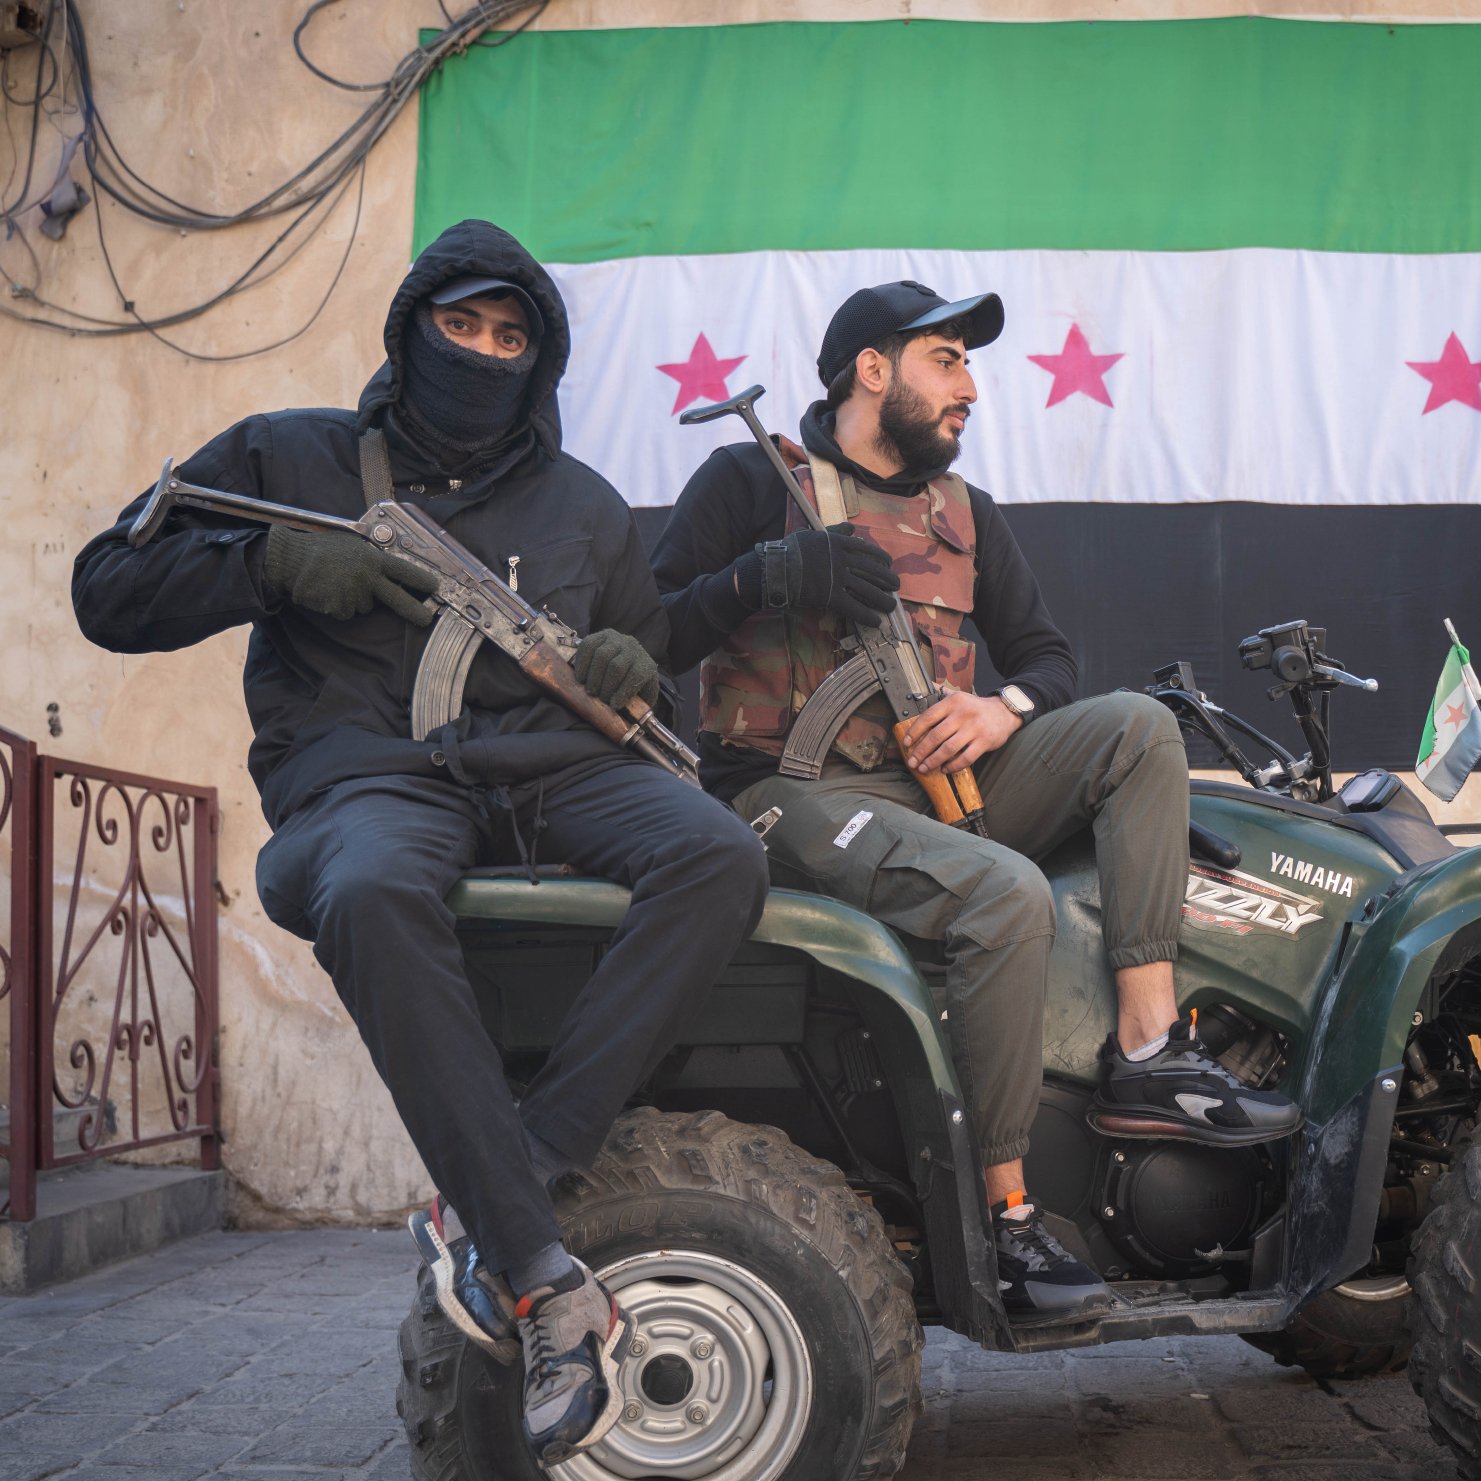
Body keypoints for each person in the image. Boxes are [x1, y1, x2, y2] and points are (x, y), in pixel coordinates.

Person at [71, 219, 769, 1463]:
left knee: (716, 851)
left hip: (551, 774)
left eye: (513, 337)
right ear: (411, 329)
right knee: (373, 884)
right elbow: (106, 591)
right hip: (367, 777)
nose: (485, 353)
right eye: (464, 325)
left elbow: (638, 671)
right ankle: (544, 1273)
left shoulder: (584, 503)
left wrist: (633, 675)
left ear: (540, 362)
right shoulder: (289, 454)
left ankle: (516, 1169)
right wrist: (267, 565)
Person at [652, 279, 1301, 1326]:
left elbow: (1048, 655)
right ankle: (1006, 1221)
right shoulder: (745, 479)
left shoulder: (965, 513)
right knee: (1004, 896)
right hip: (787, 789)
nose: (970, 388)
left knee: (1135, 722)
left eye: (968, 364)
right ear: (872, 368)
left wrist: (998, 709)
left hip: (939, 780)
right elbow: (639, 640)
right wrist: (765, 577)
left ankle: (1145, 1051)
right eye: (946, 359)